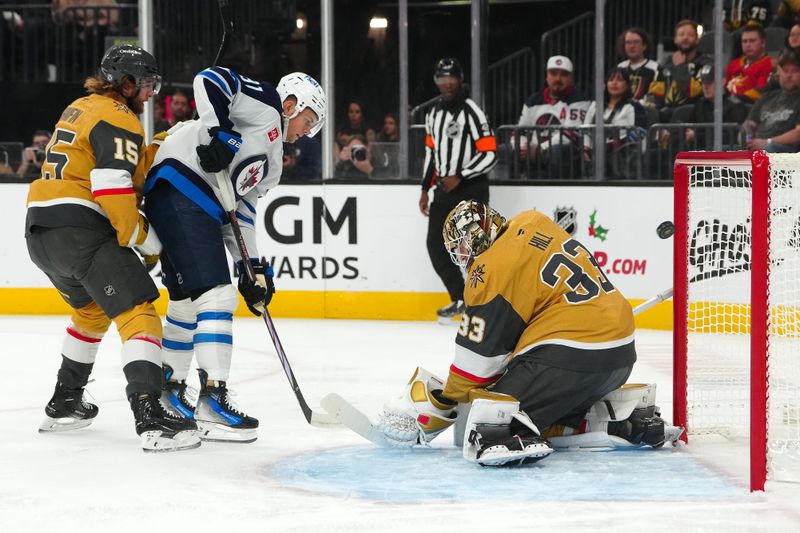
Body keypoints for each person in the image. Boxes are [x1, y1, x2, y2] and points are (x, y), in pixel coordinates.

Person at [377, 200, 681, 466]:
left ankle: (504, 433)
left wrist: (444, 400)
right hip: (620, 355)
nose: (462, 254)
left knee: (489, 412)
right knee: (535, 390)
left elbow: (478, 365)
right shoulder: (532, 221)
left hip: (572, 354)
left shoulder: (489, 270)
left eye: (462, 245)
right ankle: (620, 418)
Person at [24, 44, 200, 452]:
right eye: (147, 83)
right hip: (82, 227)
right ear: (126, 83)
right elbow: (112, 188)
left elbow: (110, 166)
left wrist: (159, 146)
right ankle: (151, 417)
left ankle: (65, 402)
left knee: (90, 311)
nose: (152, 92)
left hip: (41, 230)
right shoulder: (117, 115)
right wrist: (148, 241)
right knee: (139, 312)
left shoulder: (81, 107)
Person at [143, 68, 326, 442]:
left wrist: (252, 267)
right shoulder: (268, 107)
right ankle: (213, 401)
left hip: (186, 200)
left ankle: (169, 390)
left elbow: (240, 212)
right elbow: (210, 80)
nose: (307, 131)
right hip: (183, 187)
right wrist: (219, 132)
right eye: (308, 120)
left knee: (186, 303)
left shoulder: (272, 167)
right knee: (217, 296)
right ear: (292, 104)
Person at [419, 57, 497, 321]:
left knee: (474, 247)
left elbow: (490, 154)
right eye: (442, 78)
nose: (447, 83)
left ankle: (484, 305)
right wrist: (424, 188)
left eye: (452, 77)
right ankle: (461, 298)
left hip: (471, 187)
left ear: (460, 80)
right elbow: (432, 154)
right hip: (444, 189)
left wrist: (461, 176)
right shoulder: (433, 114)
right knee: (435, 244)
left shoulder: (472, 111)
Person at [517, 55, 590, 179]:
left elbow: (569, 135)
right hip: (533, 151)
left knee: (556, 152)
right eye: (553, 73)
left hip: (564, 151)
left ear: (571, 78)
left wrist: (538, 150)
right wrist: (521, 147)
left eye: (563, 74)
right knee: (504, 150)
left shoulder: (579, 98)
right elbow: (520, 131)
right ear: (547, 76)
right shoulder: (533, 100)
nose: (558, 78)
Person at [582, 68, 647, 179]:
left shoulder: (633, 106)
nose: (614, 83)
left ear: (627, 85)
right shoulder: (595, 105)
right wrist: (585, 148)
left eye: (619, 80)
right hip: (595, 154)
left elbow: (638, 134)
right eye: (611, 80)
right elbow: (585, 130)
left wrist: (612, 146)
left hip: (624, 156)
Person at [648, 20, 711, 119]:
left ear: (697, 39)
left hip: (693, 115)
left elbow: (693, 92)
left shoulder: (705, 63)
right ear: (675, 39)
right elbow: (656, 92)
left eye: (690, 35)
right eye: (681, 35)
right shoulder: (665, 63)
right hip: (665, 116)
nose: (685, 38)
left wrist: (680, 67)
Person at [744, 50, 800, 152]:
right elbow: (749, 124)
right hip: (760, 146)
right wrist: (749, 140)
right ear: (779, 73)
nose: (789, 75)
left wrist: (768, 141)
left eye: (794, 71)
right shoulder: (766, 97)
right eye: (785, 70)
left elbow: (798, 134)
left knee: (770, 149)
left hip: (788, 151)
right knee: (724, 152)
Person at [686, 64, 748, 149]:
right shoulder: (700, 104)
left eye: (709, 82)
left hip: (723, 156)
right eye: (703, 82)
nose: (705, 87)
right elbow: (688, 126)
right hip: (700, 152)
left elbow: (732, 137)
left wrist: (697, 136)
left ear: (722, 82)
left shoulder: (735, 106)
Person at [725, 25, 775, 103]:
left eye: (752, 41)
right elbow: (723, 88)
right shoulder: (734, 63)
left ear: (763, 43)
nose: (747, 45)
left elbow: (759, 94)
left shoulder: (769, 64)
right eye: (744, 41)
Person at [616, 27, 662, 104]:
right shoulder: (620, 67)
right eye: (628, 42)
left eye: (636, 42)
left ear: (644, 46)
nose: (631, 46)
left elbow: (656, 97)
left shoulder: (655, 68)